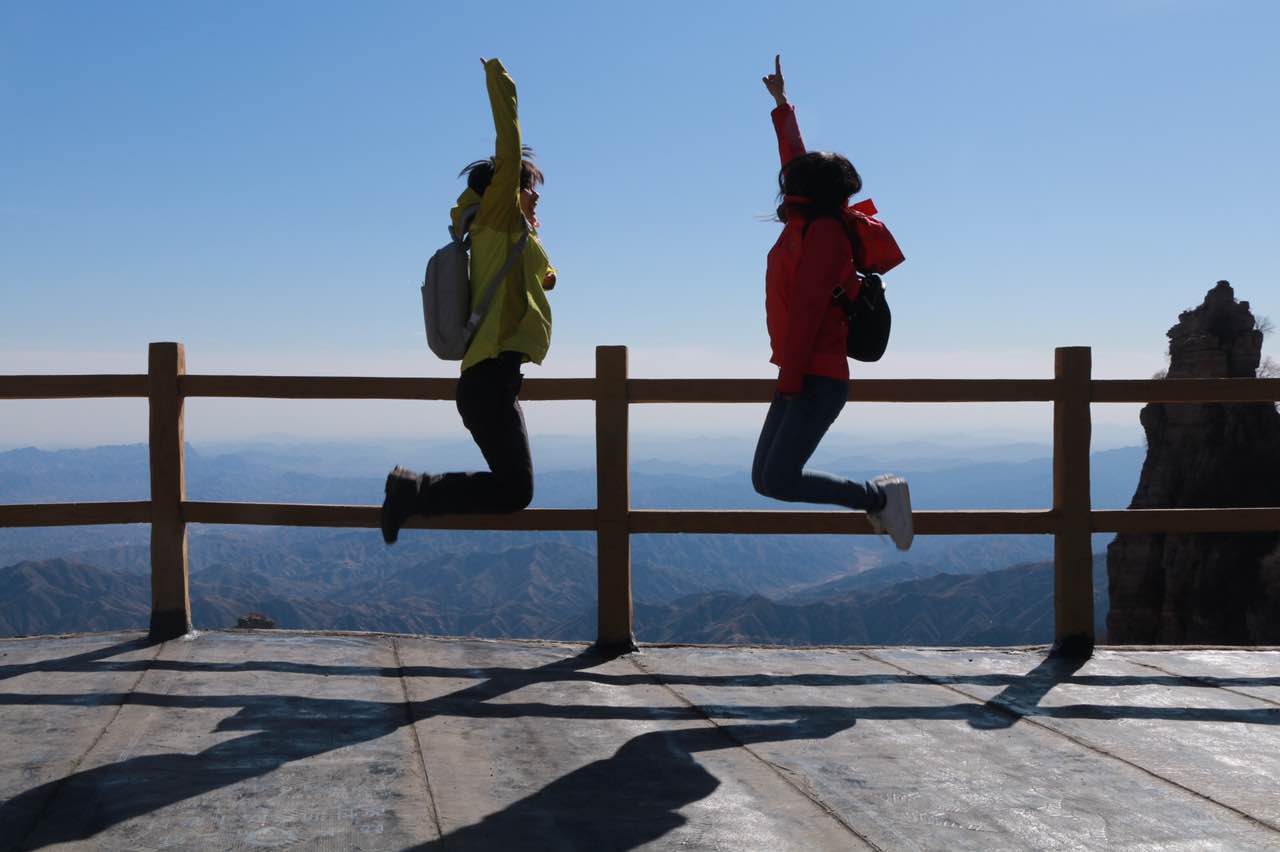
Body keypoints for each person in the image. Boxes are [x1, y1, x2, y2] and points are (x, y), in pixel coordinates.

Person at [381, 57, 557, 544]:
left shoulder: (496, 233)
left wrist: (547, 274)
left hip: (495, 380)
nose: (534, 196)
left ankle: (412, 491)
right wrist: (501, 82)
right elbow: (510, 142)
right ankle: (411, 489)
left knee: (516, 487)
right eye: (527, 187)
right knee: (515, 490)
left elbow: (532, 268)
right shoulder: (497, 219)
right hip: (489, 379)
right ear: (503, 191)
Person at [752, 55, 913, 550]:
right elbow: (794, 160)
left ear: (807, 190)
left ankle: (878, 498)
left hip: (813, 376)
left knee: (777, 479)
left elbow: (806, 311)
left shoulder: (824, 235)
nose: (787, 177)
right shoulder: (807, 220)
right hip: (800, 372)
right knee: (764, 480)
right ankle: (878, 500)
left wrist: (792, 379)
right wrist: (782, 106)